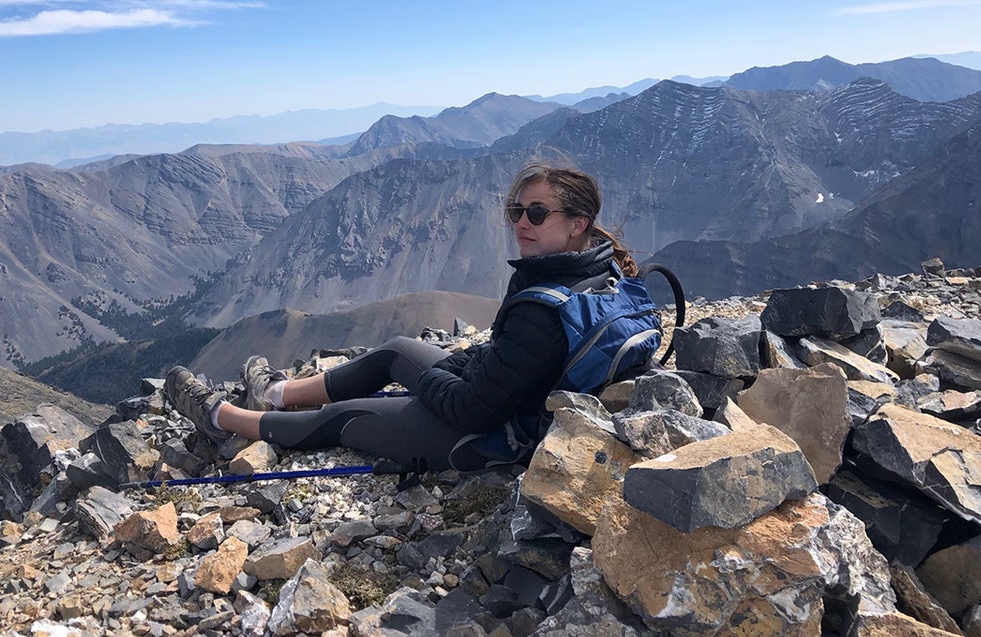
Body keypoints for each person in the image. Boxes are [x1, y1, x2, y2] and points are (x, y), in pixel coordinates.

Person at [165, 163, 640, 472]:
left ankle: (222, 418)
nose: (520, 223)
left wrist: (426, 380)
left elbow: (471, 409)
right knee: (395, 350)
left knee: (342, 417)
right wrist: (455, 366)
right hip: (510, 401)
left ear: (578, 223)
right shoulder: (601, 268)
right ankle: (274, 392)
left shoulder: (542, 310)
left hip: (482, 437)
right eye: (517, 210)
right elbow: (510, 360)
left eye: (537, 213)